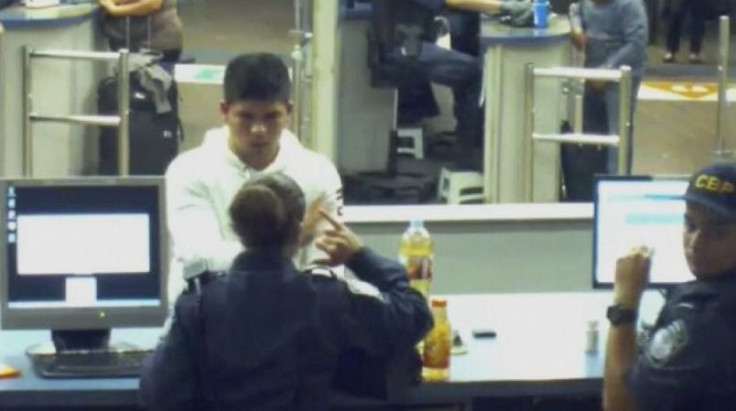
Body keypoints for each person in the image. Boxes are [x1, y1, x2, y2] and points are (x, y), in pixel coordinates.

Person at [139, 172, 433, 411]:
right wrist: (360, 256)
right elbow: (416, 315)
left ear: (237, 229)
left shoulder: (197, 305)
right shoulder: (327, 298)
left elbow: (157, 395)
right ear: (297, 231)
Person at [165, 53, 343, 300]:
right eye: (246, 117)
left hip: (292, 315)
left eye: (271, 116)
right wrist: (294, 241)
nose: (258, 130)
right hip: (208, 316)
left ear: (289, 112)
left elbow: (327, 264)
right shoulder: (188, 170)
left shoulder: (318, 172)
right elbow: (200, 257)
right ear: (224, 111)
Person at [603, 161, 736, 411]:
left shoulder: (700, 318)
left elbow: (619, 406)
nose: (696, 243)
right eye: (690, 225)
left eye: (718, 233)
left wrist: (625, 302)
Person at [371, 0, 532, 170]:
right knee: (475, 73)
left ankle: (470, 143)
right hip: (400, 48)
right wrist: (504, 7)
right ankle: (469, 155)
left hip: (405, 41)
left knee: (466, 51)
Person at [569, 0, 648, 174]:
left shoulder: (630, 5)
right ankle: (590, 184)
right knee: (591, 133)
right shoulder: (586, 3)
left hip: (621, 76)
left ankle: (617, 182)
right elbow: (576, 11)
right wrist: (577, 29)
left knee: (617, 134)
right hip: (593, 72)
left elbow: (637, 45)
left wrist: (608, 68)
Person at [99, 0, 183, 62]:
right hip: (131, 45)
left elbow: (152, 4)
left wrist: (114, 10)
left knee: (154, 83)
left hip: (155, 45)